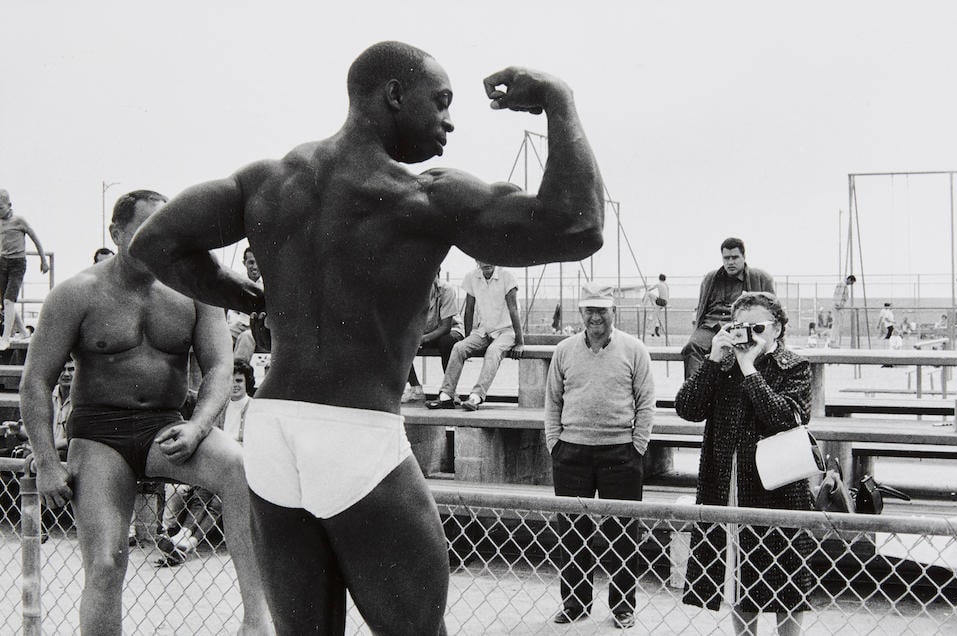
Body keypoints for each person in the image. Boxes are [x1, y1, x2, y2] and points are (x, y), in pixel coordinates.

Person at [129, 40, 604, 635]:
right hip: (356, 430)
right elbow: (579, 225)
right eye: (441, 101)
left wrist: (248, 297)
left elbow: (153, 242)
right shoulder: (423, 196)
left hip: (274, 431)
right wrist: (559, 98)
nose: (450, 121)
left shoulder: (267, 182)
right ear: (394, 94)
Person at [20, 190, 272, 635]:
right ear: (116, 233)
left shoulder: (193, 291)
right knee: (105, 563)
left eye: (164, 230)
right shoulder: (77, 294)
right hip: (99, 435)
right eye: (144, 231)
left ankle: (256, 622)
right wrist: (45, 460)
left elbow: (219, 366)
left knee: (238, 468)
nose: (157, 241)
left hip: (166, 426)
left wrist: (198, 426)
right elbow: (35, 381)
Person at [675, 291, 814, 636]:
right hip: (730, 485)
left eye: (758, 327)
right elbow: (687, 408)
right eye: (740, 327)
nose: (749, 335)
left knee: (787, 578)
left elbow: (784, 418)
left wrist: (749, 369)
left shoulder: (794, 366)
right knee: (739, 575)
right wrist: (712, 359)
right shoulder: (722, 365)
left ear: (777, 328)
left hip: (780, 488)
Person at [544, 281, 655, 629]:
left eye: (601, 310)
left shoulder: (634, 349)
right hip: (571, 452)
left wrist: (637, 446)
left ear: (613, 312)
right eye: (589, 310)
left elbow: (646, 402)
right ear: (581, 312)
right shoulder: (564, 350)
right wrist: (555, 443)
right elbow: (552, 400)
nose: (595, 317)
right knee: (572, 532)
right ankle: (575, 603)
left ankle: (623, 606)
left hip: (620, 453)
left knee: (622, 533)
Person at [158, 359, 256, 567]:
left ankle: (187, 541)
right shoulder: (221, 407)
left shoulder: (253, 408)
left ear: (247, 382)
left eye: (239, 380)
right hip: (218, 462)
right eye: (231, 380)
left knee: (216, 502)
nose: (235, 385)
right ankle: (184, 537)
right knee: (202, 494)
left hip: (243, 466)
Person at [426, 261, 523, 411]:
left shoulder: (507, 276)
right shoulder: (472, 277)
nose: (486, 263)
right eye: (482, 259)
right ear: (477, 260)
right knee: (459, 347)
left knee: (493, 351)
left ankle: (476, 397)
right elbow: (469, 310)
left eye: (490, 258)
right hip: (484, 331)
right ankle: (446, 396)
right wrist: (468, 338)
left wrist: (520, 342)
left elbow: (514, 309)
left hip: (506, 331)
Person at [682, 238, 774, 379]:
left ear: (744, 257)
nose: (730, 262)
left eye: (735, 257)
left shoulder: (760, 277)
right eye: (726, 258)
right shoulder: (710, 278)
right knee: (692, 347)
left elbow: (773, 311)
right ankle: (695, 389)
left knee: (741, 354)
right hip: (710, 326)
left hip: (739, 327)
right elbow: (702, 307)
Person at [401, 271, 464, 403]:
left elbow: (446, 327)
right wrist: (414, 337)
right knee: (400, 343)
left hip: (450, 330)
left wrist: (423, 339)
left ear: (437, 275)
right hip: (425, 332)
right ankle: (415, 388)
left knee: (446, 342)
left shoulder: (446, 290)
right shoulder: (412, 291)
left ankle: (450, 390)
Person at [0, 189, 50, 350]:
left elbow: (36, 239)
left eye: (1, 208)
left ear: (9, 205)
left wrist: (43, 260)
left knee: (8, 300)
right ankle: (22, 331)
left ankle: (5, 338)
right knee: (5, 301)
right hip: (2, 262)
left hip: (17, 263)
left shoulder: (19, 221)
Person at [646, 273, 669, 337]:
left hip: (661, 301)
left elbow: (649, 289)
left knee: (648, 293)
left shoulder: (659, 284)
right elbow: (666, 295)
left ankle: (643, 304)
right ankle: (656, 328)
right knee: (656, 316)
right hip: (664, 302)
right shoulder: (666, 285)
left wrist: (647, 288)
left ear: (659, 278)